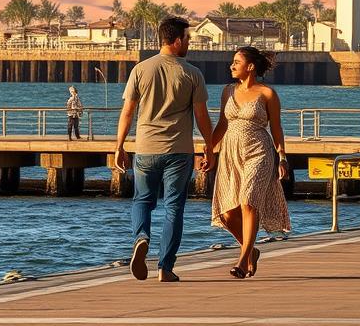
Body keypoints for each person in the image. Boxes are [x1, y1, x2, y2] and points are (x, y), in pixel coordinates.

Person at [115, 16, 214, 283]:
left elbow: (127, 112)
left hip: (145, 148)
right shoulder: (192, 73)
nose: (189, 44)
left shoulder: (140, 70)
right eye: (189, 39)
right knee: (174, 208)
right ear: (178, 40)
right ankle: (165, 268)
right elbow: (201, 116)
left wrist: (119, 146)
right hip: (178, 151)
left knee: (142, 201)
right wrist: (210, 147)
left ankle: (141, 237)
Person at [207, 46, 291, 279]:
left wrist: (282, 157)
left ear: (250, 66)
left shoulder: (267, 94)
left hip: (259, 151)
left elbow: (276, 128)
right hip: (230, 153)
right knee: (227, 214)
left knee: (248, 201)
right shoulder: (227, 92)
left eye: (237, 62)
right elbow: (222, 126)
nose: (231, 66)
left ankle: (243, 261)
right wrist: (208, 151)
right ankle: (251, 250)